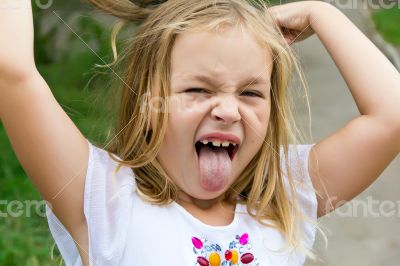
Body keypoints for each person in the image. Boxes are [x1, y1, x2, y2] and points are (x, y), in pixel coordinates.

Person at [0, 0, 399, 265]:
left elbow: (391, 117)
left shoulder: (281, 194)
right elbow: (12, 70)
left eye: (250, 92)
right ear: (148, 104)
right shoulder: (103, 196)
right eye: (198, 90)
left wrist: (322, 13)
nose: (227, 110)